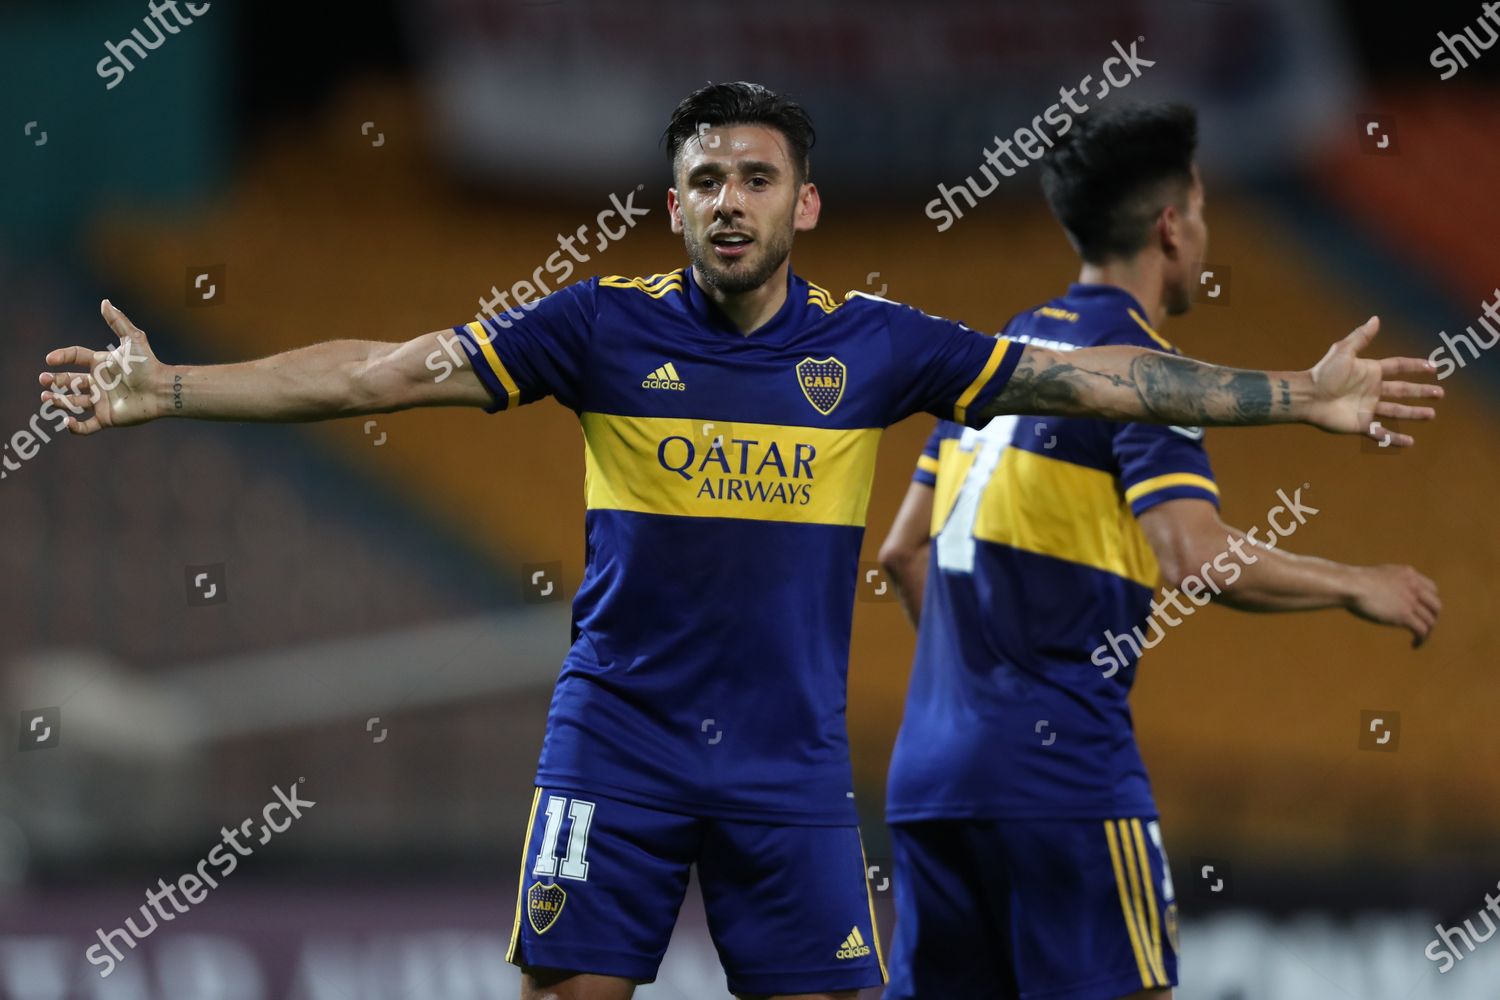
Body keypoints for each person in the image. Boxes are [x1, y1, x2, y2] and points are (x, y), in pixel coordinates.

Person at [40, 85, 1439, 1000]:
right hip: (617, 742)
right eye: (703, 178)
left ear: (801, 205)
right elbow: (377, 373)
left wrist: (1294, 398)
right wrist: (174, 389)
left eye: (754, 177)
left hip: (790, 765)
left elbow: (1107, 382)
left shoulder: (878, 348)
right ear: (673, 206)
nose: (727, 198)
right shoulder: (595, 325)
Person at [876, 102, 1442, 1000]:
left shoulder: (1000, 356)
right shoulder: (1144, 370)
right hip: (1062, 780)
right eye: (1205, 212)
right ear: (1172, 227)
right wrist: (1354, 583)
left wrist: (977, 692)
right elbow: (1193, 555)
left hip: (931, 777)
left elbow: (901, 554)